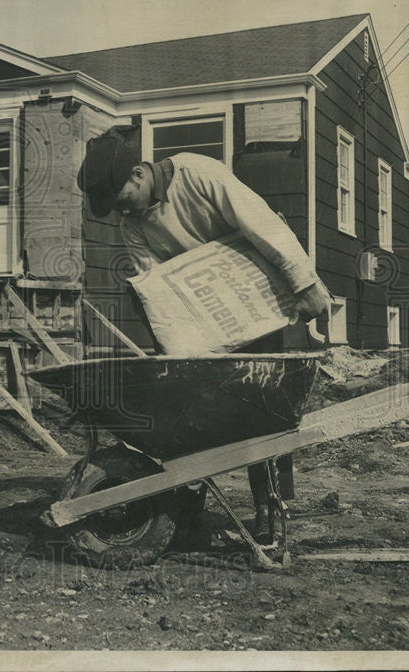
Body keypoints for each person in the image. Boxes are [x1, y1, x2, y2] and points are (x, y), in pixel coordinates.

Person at [77, 126, 331, 543]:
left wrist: (303, 285)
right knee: (192, 405)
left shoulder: (200, 175)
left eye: (122, 201)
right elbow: (155, 290)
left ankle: (270, 508)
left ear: (138, 175)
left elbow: (264, 226)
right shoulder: (134, 225)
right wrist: (176, 356)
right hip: (209, 318)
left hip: (263, 302)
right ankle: (185, 503)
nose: (123, 213)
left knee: (265, 407)